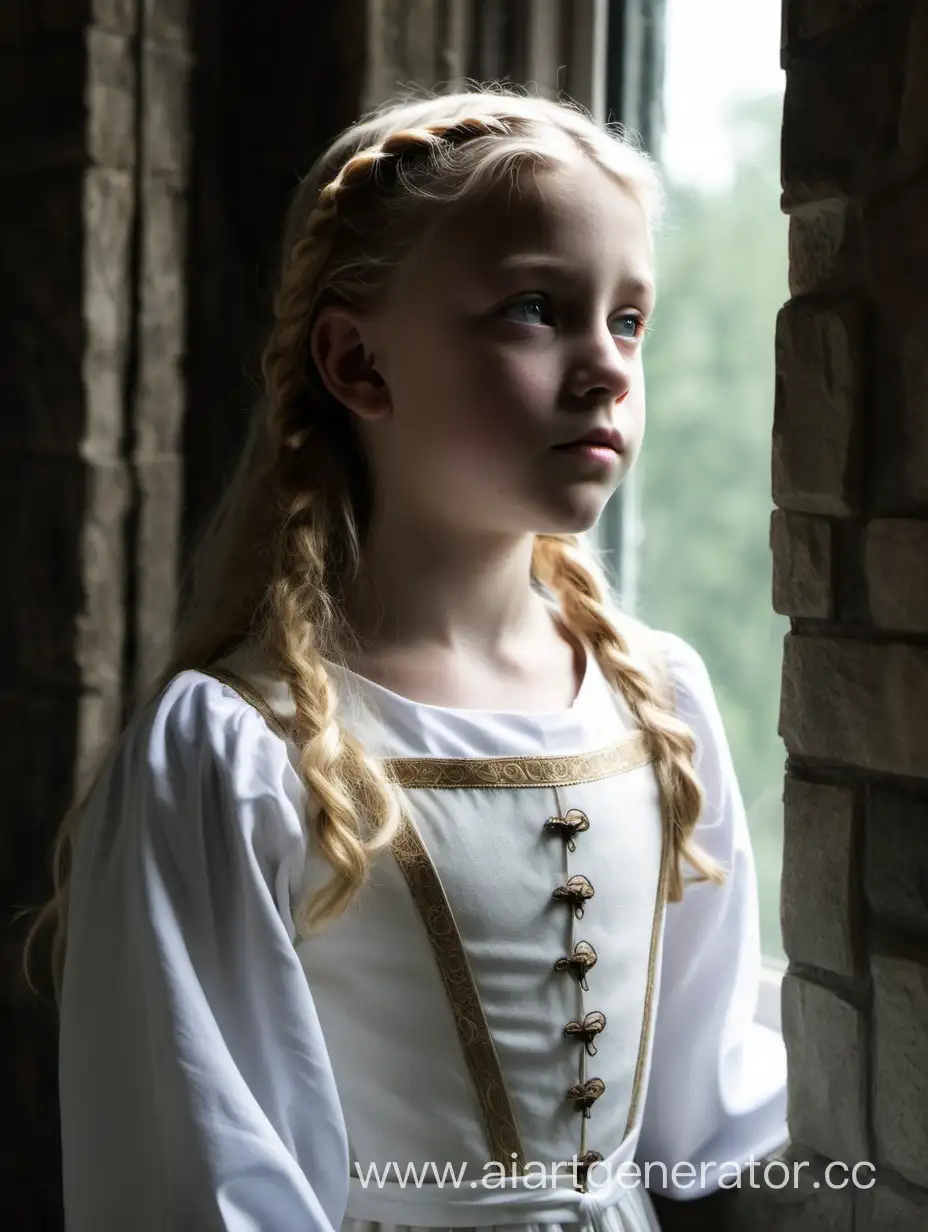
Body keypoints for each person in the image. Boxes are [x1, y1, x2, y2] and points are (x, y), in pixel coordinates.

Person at [25, 85, 787, 1231]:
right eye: (536, 308)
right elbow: (207, 1187)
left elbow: (708, 1129)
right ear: (358, 362)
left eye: (628, 319)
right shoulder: (235, 753)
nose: (605, 367)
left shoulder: (657, 702)